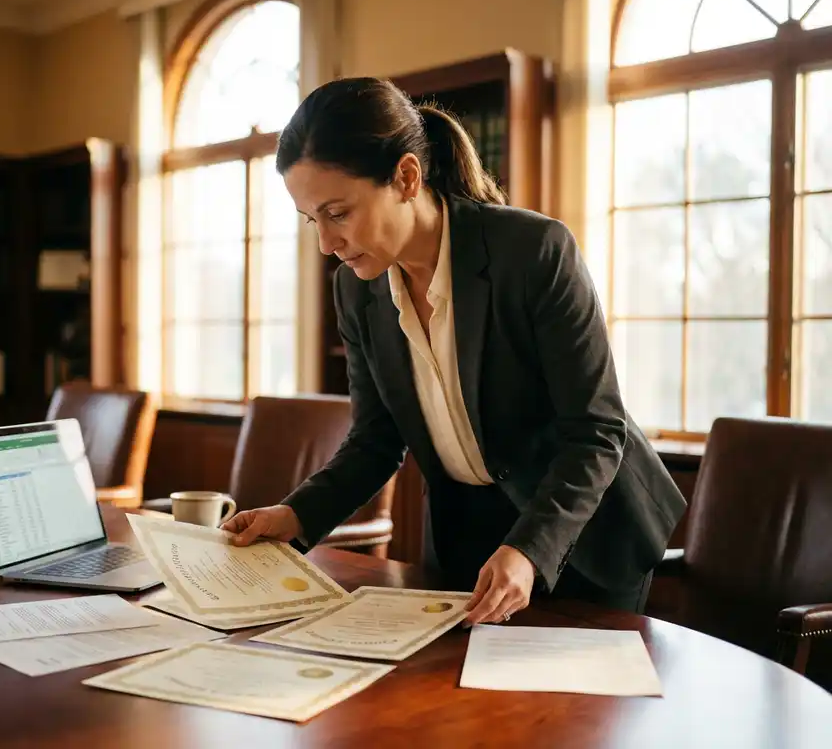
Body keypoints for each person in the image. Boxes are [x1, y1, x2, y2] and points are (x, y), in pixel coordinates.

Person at [221, 76, 686, 626]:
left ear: (406, 177)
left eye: (338, 212)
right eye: (311, 219)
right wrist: (294, 514)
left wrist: (532, 549)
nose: (326, 243)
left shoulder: (533, 252)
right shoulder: (356, 288)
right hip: (468, 540)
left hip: (580, 530)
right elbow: (376, 440)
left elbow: (596, 430)